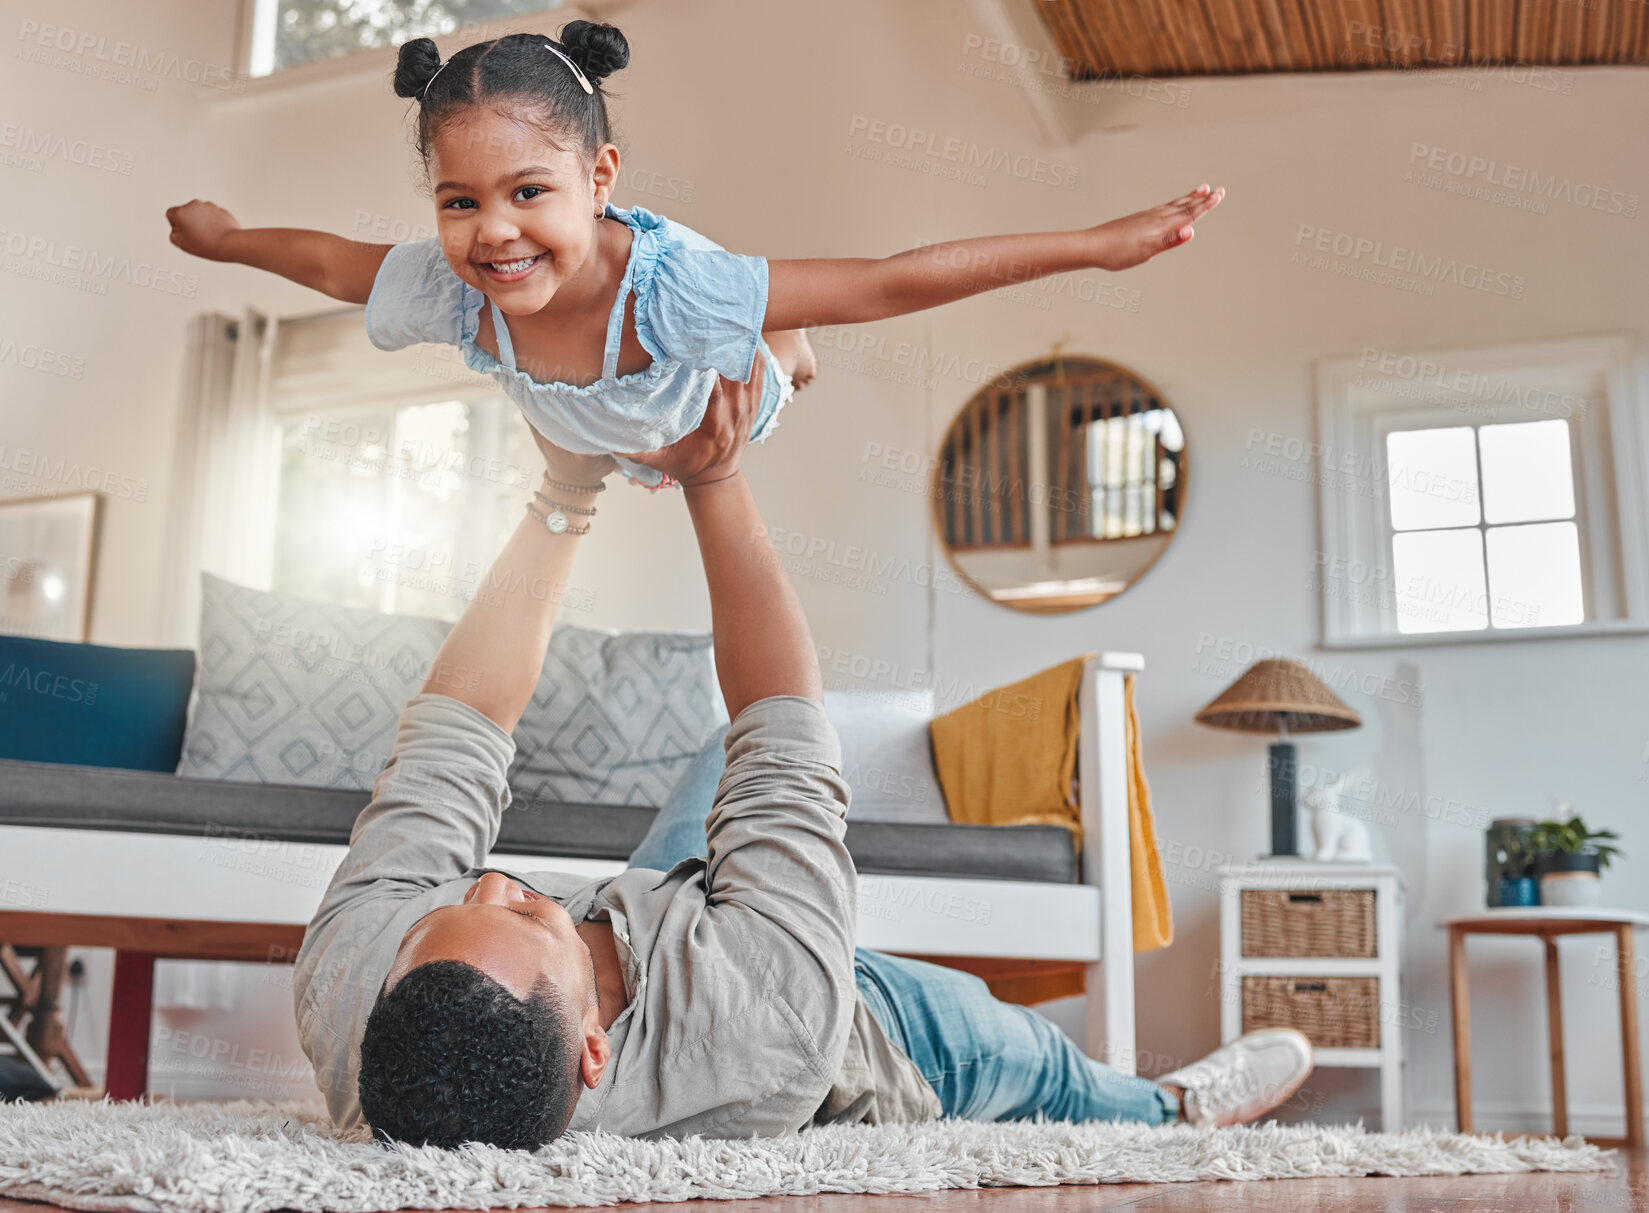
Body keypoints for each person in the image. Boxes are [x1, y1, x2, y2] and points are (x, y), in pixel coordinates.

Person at [292, 352, 1313, 1150]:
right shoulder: (761, 1033)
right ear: (594, 1048)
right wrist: (713, 470)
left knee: (716, 750)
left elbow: (457, 733)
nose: (499, 877)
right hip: (859, 1039)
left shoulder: (352, 992)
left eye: (458, 905)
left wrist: (565, 487)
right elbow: (786, 722)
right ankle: (1166, 1109)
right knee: (1030, 1060)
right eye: (523, 916)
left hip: (677, 930)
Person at [163, 20, 1224, 491]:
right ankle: (611, 452)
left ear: (600, 178)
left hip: (696, 382)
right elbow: (327, 263)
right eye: (459, 200)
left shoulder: (675, 296)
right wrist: (226, 241)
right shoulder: (453, 284)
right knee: (567, 456)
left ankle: (782, 344)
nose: (491, 229)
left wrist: (1094, 246)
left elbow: (892, 278)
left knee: (784, 344)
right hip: (599, 423)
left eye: (529, 192)